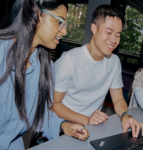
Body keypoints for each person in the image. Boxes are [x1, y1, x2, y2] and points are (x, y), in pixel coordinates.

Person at [0, 0, 89, 149]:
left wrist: (63, 125)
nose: (64, 31)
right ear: (37, 13)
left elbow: (37, 114)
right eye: (60, 22)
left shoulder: (44, 66)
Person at [52, 4, 143, 138]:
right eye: (108, 32)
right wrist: (86, 119)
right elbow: (54, 105)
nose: (114, 40)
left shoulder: (114, 62)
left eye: (118, 35)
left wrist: (126, 116)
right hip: (63, 127)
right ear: (94, 28)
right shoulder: (70, 60)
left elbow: (119, 99)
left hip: (92, 127)